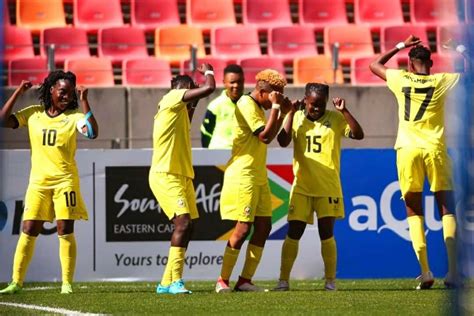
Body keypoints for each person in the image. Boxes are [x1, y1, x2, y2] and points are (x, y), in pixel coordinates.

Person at [369, 35, 463, 289]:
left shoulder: (400, 78)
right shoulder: (442, 80)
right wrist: (459, 48)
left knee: (413, 210)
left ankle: (425, 271)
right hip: (435, 149)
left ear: (410, 64)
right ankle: (453, 272)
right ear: (430, 64)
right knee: (448, 209)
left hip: (408, 150)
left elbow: (374, 64)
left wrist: (400, 45)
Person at [0, 71, 99, 295]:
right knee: (28, 229)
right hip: (38, 184)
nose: (66, 97)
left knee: (65, 229)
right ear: (51, 90)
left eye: (70, 93)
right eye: (62, 92)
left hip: (65, 182)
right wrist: (18, 92)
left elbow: (92, 132)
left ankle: (66, 283)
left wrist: (84, 101)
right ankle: (16, 282)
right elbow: (3, 120)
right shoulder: (34, 114)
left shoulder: (74, 117)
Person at [273, 83, 364, 291]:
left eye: (321, 105)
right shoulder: (296, 117)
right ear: (305, 99)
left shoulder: (335, 119)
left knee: (326, 234)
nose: (316, 108)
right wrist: (289, 114)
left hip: (328, 187)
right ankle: (283, 280)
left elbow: (358, 134)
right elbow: (283, 141)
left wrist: (344, 111)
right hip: (302, 187)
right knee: (294, 232)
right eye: (313, 104)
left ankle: (330, 281)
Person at [215, 69, 291, 293]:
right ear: (263, 91)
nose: (274, 101)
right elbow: (265, 136)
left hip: (258, 174)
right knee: (242, 227)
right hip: (243, 175)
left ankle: (245, 280)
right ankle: (222, 280)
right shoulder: (246, 104)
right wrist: (277, 108)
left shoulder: (259, 107)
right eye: (274, 96)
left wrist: (286, 112)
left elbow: (272, 135)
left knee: (264, 226)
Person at [149, 64, 216, 295]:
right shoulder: (172, 97)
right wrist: (208, 72)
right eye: (190, 90)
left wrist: (194, 100)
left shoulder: (178, 110)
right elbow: (210, 89)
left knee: (190, 227)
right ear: (183, 89)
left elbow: (191, 110)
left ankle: (165, 282)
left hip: (182, 175)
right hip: (166, 174)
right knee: (183, 223)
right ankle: (176, 281)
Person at [200, 64, 244, 148]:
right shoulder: (215, 105)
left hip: (242, 156)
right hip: (218, 156)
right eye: (232, 82)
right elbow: (206, 133)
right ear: (224, 82)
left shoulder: (250, 105)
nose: (236, 85)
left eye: (239, 82)